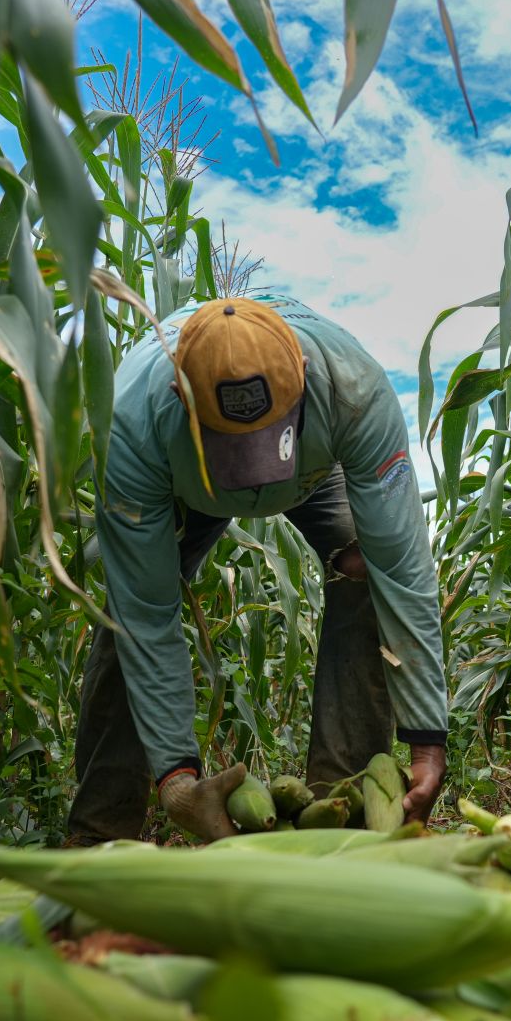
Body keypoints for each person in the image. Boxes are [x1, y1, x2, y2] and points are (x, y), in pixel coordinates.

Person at [68, 293, 449, 843]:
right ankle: (98, 833)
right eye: (233, 450)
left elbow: (402, 569)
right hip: (183, 485)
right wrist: (177, 781)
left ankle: (342, 806)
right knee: (123, 617)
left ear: (305, 374)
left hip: (315, 470)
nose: (254, 484)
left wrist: (426, 740)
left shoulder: (354, 391)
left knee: (365, 570)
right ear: (181, 396)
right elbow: (146, 614)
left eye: (267, 444)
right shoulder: (131, 425)